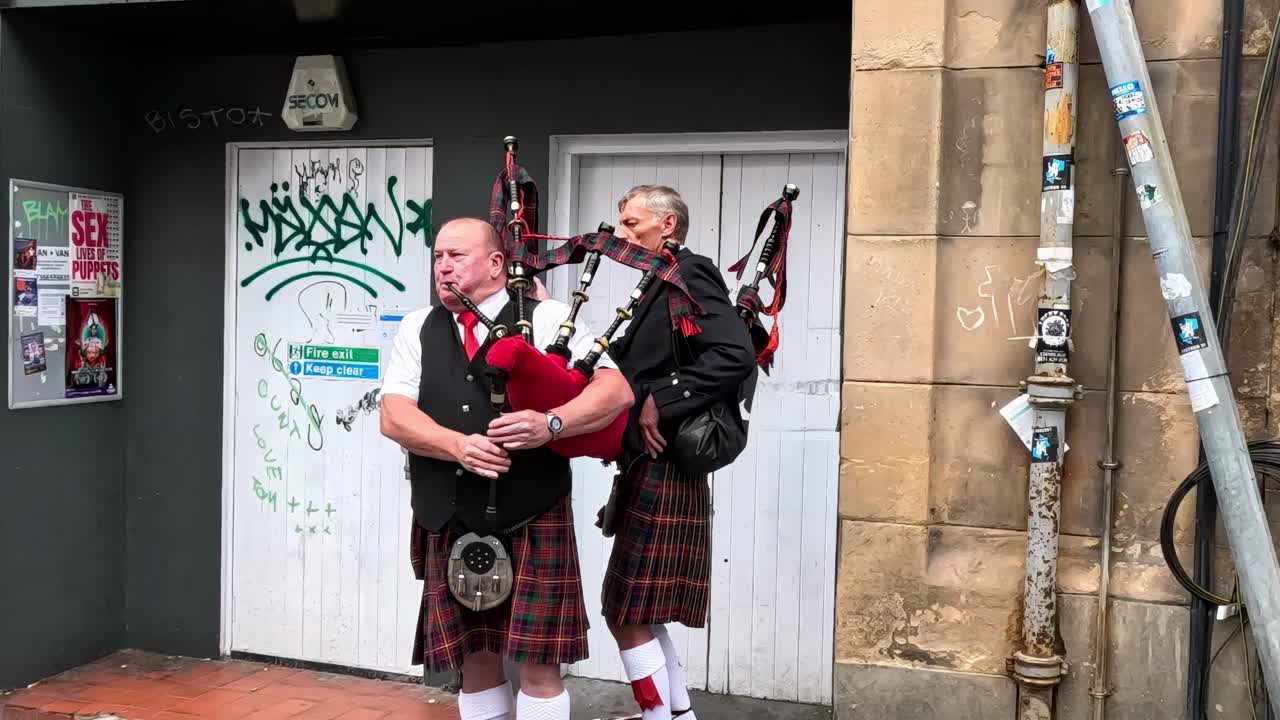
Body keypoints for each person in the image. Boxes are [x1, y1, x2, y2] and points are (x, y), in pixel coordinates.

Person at [380, 217, 634, 720]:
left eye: (456, 255)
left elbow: (615, 391)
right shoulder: (419, 327)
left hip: (530, 511)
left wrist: (552, 423)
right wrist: (456, 446)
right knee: (473, 659)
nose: (443, 266)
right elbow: (394, 414)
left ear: (496, 264)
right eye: (437, 257)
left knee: (540, 665)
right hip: (449, 514)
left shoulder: (546, 318)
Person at [600, 186, 756, 720]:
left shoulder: (689, 273)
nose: (622, 234)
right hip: (651, 463)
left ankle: (657, 716)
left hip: (665, 460)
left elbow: (736, 353)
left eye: (631, 223)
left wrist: (660, 400)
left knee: (624, 609)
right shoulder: (657, 283)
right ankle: (676, 712)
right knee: (640, 607)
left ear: (667, 225)